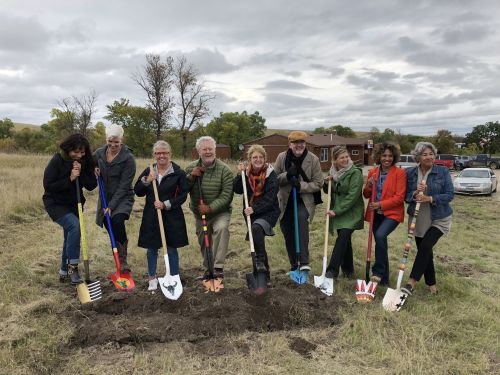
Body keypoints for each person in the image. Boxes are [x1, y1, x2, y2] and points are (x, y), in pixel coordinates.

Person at [42, 133, 97, 284]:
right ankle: (73, 268)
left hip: (74, 203)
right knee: (75, 226)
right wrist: (70, 178)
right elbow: (49, 186)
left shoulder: (85, 161)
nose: (79, 155)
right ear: (68, 149)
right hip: (55, 203)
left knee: (70, 236)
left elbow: (91, 185)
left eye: (82, 152)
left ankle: (63, 271)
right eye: (76, 152)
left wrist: (82, 172)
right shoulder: (57, 160)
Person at [134, 141, 188, 291]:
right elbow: (137, 191)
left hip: (172, 217)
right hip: (152, 216)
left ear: (170, 154)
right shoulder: (149, 171)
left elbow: (183, 195)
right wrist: (147, 180)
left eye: (165, 152)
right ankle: (152, 278)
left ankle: (174, 277)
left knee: (171, 248)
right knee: (152, 248)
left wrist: (166, 204)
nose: (161, 155)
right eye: (158, 153)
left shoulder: (178, 173)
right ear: (154, 155)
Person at [401, 142, 454, 296]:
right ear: (417, 157)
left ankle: (411, 283)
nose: (429, 157)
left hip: (439, 217)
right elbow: (406, 196)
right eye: (425, 154)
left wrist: (430, 198)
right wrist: (414, 194)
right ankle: (432, 285)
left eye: (431, 153)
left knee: (425, 247)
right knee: (426, 252)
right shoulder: (410, 173)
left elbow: (450, 195)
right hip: (418, 218)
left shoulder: (442, 171)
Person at [185, 136, 234, 282]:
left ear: (215, 150)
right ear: (198, 151)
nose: (208, 152)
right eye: (204, 149)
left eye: (210, 149)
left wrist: (210, 207)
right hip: (200, 214)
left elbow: (227, 195)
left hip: (220, 212)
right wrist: (190, 178)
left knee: (221, 228)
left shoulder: (225, 170)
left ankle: (218, 268)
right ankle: (208, 271)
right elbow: (182, 190)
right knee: (204, 241)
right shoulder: (190, 168)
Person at [274, 131, 323, 273]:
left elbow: (319, 183)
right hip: (285, 200)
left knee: (301, 220)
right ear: (290, 144)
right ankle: (294, 265)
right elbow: (274, 179)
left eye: (301, 142)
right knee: (287, 229)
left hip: (304, 200)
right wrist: (287, 176)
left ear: (305, 143)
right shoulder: (282, 158)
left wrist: (301, 186)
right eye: (295, 142)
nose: (298, 145)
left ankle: (304, 262)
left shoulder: (313, 159)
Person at [233, 145, 280, 282]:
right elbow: (237, 189)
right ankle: (264, 274)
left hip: (268, 212)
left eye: (260, 157)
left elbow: (270, 199)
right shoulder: (246, 174)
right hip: (251, 213)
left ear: (265, 159)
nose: (258, 160)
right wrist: (239, 174)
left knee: (256, 229)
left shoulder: (271, 174)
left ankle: (259, 262)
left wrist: (254, 208)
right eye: (255, 157)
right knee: (256, 239)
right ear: (250, 160)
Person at [363, 142, 406, 285]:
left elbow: (399, 198)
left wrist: (380, 204)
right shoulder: (373, 172)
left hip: (392, 213)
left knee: (380, 236)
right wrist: (368, 184)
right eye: (384, 155)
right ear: (378, 156)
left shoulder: (399, 173)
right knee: (381, 243)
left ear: (394, 157)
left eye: (390, 156)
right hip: (376, 214)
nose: (387, 158)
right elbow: (366, 194)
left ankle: (377, 271)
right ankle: (385, 279)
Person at [94, 124, 136, 272]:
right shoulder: (99, 153)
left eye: (116, 142)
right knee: (109, 225)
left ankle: (123, 262)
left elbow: (124, 186)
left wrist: (111, 206)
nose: (113, 145)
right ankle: (117, 259)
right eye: (110, 141)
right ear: (106, 139)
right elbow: (87, 164)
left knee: (117, 221)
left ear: (121, 140)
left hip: (123, 197)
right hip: (105, 196)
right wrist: (93, 169)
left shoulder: (128, 159)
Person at [324, 146, 364, 279]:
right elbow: (330, 190)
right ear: (335, 160)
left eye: (347, 156)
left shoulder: (355, 173)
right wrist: (326, 183)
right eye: (342, 157)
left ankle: (332, 270)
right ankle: (348, 271)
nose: (345, 159)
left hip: (351, 213)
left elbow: (352, 196)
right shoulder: (333, 172)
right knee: (345, 240)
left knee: (342, 238)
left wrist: (336, 211)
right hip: (339, 212)